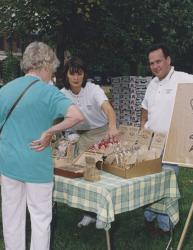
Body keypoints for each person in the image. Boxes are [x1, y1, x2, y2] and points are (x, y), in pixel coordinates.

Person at [0, 41, 84, 250]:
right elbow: (76, 116)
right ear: (45, 66)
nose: (52, 75)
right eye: (53, 70)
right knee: (40, 220)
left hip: (9, 164)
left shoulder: (6, 89)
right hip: (37, 165)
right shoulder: (49, 92)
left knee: (12, 218)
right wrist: (50, 131)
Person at [141, 43, 193, 236]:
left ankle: (165, 226)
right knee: (149, 182)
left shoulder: (182, 79)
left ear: (168, 60)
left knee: (166, 184)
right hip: (151, 145)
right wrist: (143, 128)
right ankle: (149, 218)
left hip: (172, 144)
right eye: (152, 63)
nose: (155, 66)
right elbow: (145, 108)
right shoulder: (152, 84)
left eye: (159, 61)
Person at [60, 57, 119, 229]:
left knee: (102, 177)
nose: (76, 77)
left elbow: (108, 109)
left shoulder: (93, 89)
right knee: (84, 177)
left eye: (80, 73)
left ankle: (103, 214)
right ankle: (88, 214)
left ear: (84, 75)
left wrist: (113, 126)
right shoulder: (63, 93)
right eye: (72, 73)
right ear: (67, 75)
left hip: (101, 133)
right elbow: (56, 115)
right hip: (79, 136)